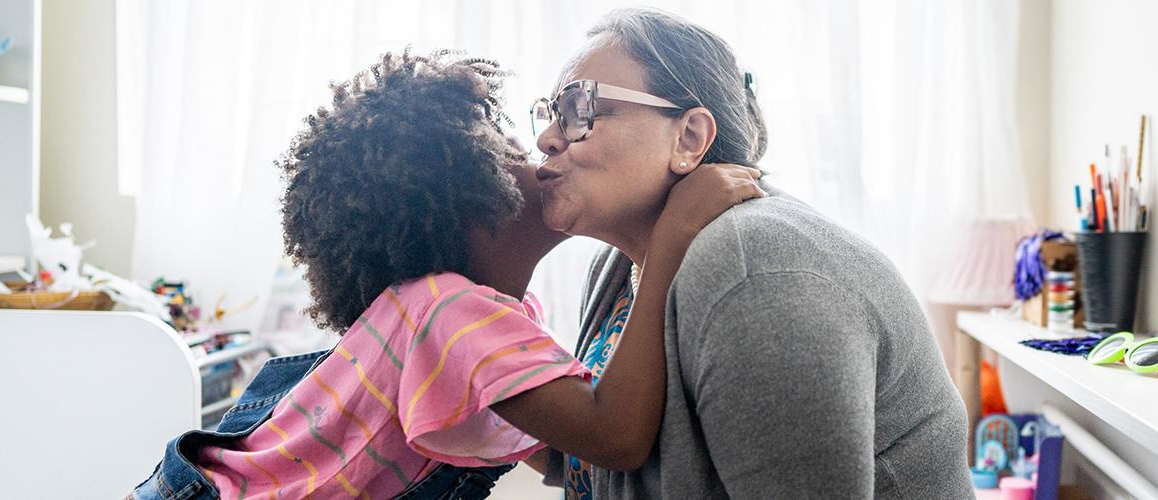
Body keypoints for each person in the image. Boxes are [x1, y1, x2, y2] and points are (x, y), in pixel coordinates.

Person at [128, 49, 763, 499]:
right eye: (511, 151)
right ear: (461, 202)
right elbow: (612, 438)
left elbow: (557, 451)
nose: (543, 147)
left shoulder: (473, 316)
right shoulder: (449, 314)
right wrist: (669, 243)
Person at [534, 9, 975, 499]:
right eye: (550, 113)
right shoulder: (620, 265)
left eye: (579, 108)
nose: (546, 138)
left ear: (689, 138)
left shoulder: (756, 273)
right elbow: (597, 462)